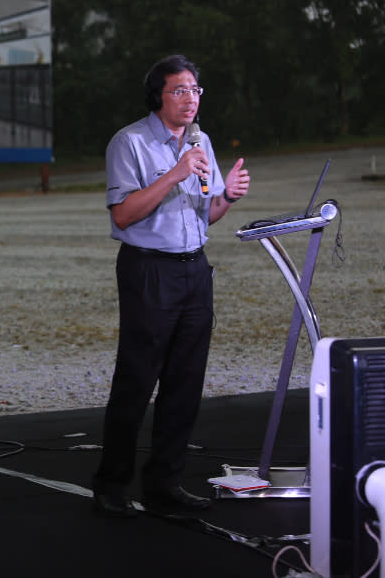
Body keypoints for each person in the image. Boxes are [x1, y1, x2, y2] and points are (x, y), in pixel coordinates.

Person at [91, 54, 250, 518]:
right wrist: (175, 173)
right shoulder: (130, 143)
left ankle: (165, 483)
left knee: (185, 381)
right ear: (157, 96)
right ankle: (111, 484)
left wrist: (228, 197)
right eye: (180, 90)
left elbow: (209, 214)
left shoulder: (201, 141)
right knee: (137, 380)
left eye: (196, 90)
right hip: (148, 270)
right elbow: (123, 213)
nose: (190, 99)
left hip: (194, 270)